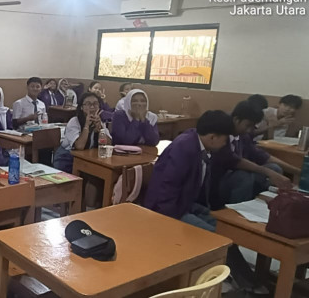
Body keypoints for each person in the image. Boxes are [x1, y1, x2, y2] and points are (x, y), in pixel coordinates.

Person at [144, 110, 287, 294]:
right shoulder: (185, 147)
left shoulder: (200, 143)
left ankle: (245, 279)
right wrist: (173, 222)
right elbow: (166, 189)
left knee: (226, 229)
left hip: (185, 204)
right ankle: (247, 284)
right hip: (167, 211)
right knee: (219, 238)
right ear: (212, 137)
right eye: (225, 139)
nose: (226, 143)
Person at [215, 101, 298, 205]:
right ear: (236, 120)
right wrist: (269, 173)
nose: (250, 130)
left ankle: (258, 204)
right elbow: (235, 161)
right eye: (248, 125)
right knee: (243, 176)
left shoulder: (243, 134)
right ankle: (237, 209)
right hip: (218, 180)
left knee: (274, 168)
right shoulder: (221, 133)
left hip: (234, 175)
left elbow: (261, 155)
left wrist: (298, 171)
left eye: (253, 126)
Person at [53, 93, 110, 173]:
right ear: (81, 107)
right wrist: (86, 126)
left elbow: (109, 144)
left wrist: (100, 129)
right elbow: (79, 146)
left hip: (88, 158)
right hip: (67, 158)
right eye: (88, 104)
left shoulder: (100, 121)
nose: (92, 107)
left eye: (95, 104)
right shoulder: (74, 121)